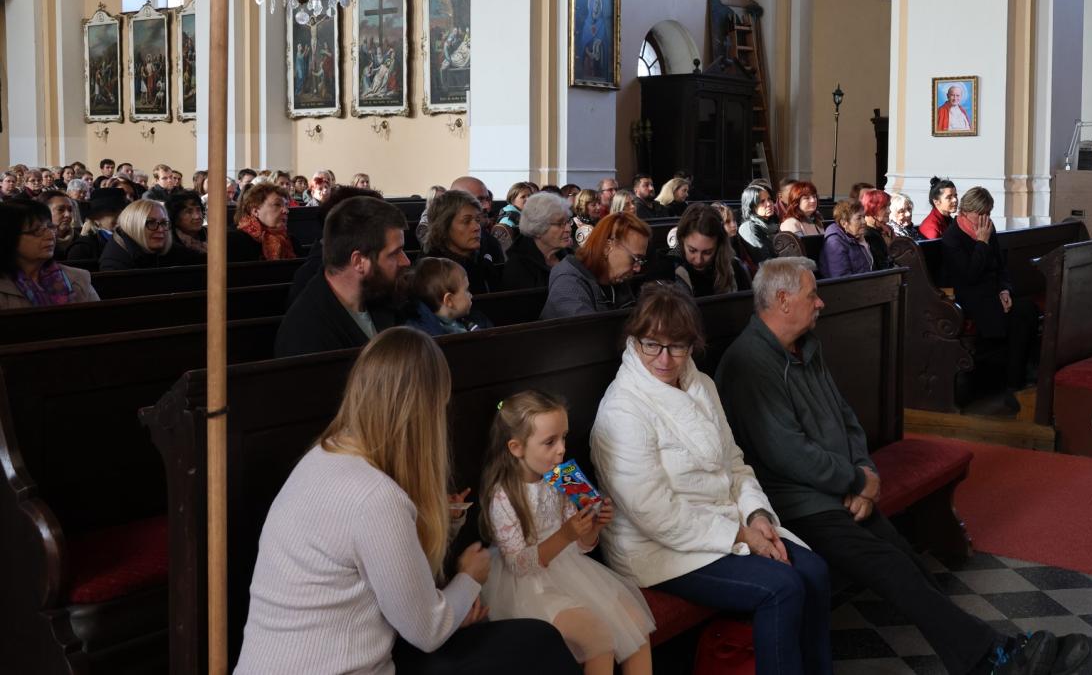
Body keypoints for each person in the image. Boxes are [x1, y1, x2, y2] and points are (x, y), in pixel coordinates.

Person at [716, 258, 1092, 675]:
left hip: (840, 491)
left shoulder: (805, 346)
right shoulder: (748, 363)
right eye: (812, 294)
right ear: (783, 300)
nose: (820, 302)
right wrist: (855, 480)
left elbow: (845, 417)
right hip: (799, 505)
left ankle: (985, 656)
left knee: (906, 560)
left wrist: (865, 474)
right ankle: (993, 658)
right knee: (892, 567)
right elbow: (786, 452)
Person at [237, 327, 580, 675]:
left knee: (532, 640)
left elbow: (391, 584)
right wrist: (469, 577)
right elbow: (428, 630)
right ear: (423, 414)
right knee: (540, 642)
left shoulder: (324, 456)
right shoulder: (375, 497)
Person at [590, 283, 831, 675]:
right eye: (652, 345)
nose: (664, 358)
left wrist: (757, 516)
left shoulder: (701, 384)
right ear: (634, 340)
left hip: (726, 523)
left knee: (815, 572)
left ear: (692, 345)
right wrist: (740, 535)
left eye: (677, 346)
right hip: (657, 547)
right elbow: (653, 513)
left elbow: (733, 462)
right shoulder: (623, 408)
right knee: (780, 588)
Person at [481, 391, 654, 675]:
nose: (561, 449)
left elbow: (581, 546)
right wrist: (566, 534)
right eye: (550, 442)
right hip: (528, 588)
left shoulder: (563, 477)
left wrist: (593, 528)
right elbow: (518, 565)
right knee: (598, 636)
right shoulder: (504, 496)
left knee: (636, 622)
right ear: (517, 447)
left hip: (570, 571)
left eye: (564, 438)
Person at [274, 196, 410, 358]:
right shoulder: (306, 335)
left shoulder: (381, 294)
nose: (406, 261)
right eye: (395, 253)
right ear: (358, 261)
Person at [942, 187, 1040, 407]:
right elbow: (970, 276)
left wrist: (1005, 290)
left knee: (1028, 309)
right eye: (980, 214)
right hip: (969, 298)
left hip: (993, 293)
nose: (984, 219)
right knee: (1019, 317)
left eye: (987, 213)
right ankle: (1015, 383)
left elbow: (1001, 267)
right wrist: (981, 243)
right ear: (965, 211)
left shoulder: (988, 228)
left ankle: (1020, 380)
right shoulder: (952, 237)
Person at [540, 213, 650, 320]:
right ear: (606, 248)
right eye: (634, 259)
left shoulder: (616, 278)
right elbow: (587, 330)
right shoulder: (568, 283)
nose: (638, 268)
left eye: (640, 261)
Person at [0, 198, 99, 309]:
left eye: (50, 227)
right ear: (9, 237)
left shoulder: (77, 278)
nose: (50, 236)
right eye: (37, 230)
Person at [649, 204, 750, 297]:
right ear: (682, 240)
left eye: (707, 252)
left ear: (719, 246)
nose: (699, 260)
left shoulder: (734, 267)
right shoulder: (664, 270)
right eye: (692, 250)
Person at [424, 190, 502, 296]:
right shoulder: (432, 273)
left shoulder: (483, 257)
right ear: (443, 227)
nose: (477, 227)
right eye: (466, 221)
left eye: (477, 220)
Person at [403, 256, 491, 336]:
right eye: (466, 290)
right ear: (449, 300)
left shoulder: (463, 320)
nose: (471, 295)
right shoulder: (429, 334)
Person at [502, 192, 573, 291]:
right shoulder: (518, 268)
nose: (568, 229)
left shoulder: (571, 258)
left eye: (568, 221)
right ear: (538, 228)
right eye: (560, 224)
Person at [229, 183, 300, 262]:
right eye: (277, 204)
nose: (286, 210)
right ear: (255, 211)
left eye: (286, 205)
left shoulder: (291, 241)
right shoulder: (234, 241)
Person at [98, 199, 175, 271]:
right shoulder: (114, 265)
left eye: (163, 223)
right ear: (133, 226)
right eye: (151, 223)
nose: (161, 229)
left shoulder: (176, 252)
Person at [66, 187, 129, 262]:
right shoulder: (83, 248)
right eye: (113, 211)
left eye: (124, 211)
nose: (121, 216)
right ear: (96, 218)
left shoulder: (136, 241)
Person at [818, 199, 874, 279]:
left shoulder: (858, 236)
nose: (864, 222)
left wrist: (864, 245)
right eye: (859, 218)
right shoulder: (835, 243)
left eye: (863, 217)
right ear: (844, 223)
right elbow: (841, 278)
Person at [738, 183, 779, 266]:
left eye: (769, 199)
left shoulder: (773, 224)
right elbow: (764, 262)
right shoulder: (749, 227)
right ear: (751, 206)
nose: (769, 204)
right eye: (762, 201)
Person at [39, 190, 81, 260]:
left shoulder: (80, 241)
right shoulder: (36, 244)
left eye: (70, 210)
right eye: (60, 210)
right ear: (44, 212)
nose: (68, 215)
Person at [166, 190, 208, 261]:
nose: (197, 216)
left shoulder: (211, 236)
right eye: (189, 212)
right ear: (175, 217)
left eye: (198, 210)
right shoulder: (168, 244)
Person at [859, 189, 895, 270]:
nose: (889, 211)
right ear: (872, 208)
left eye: (889, 206)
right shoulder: (869, 235)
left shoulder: (883, 231)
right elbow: (883, 268)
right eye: (884, 207)